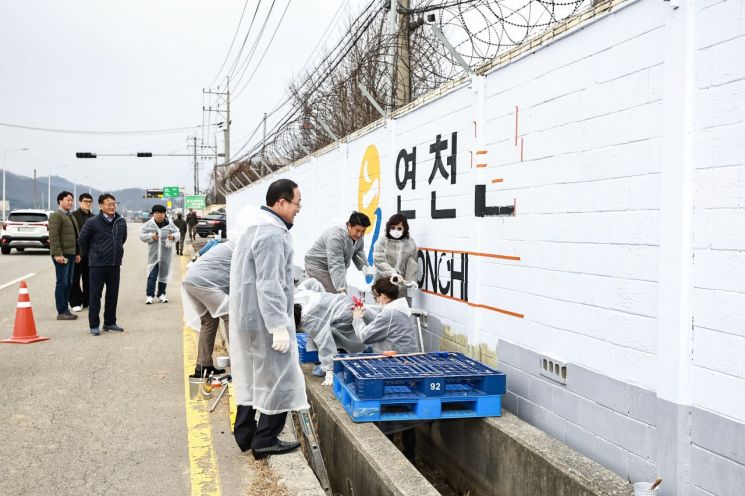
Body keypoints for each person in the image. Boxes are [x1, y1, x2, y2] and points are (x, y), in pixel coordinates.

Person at [230, 178, 307, 460]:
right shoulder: (272, 234)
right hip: (265, 319)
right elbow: (270, 284)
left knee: (250, 375)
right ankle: (265, 439)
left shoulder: (253, 227)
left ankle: (245, 433)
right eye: (297, 203)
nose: (299, 209)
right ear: (282, 202)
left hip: (248, 316)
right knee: (280, 377)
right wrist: (278, 327)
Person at [294, 278, 365, 386]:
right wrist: (323, 296)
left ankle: (336, 365)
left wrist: (329, 372)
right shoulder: (296, 297)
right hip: (340, 301)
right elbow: (313, 282)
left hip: (344, 314)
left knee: (333, 338)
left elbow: (325, 343)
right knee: (316, 336)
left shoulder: (310, 318)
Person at [78, 194, 127, 336]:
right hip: (97, 265)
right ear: (100, 206)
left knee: (113, 295)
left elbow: (122, 239)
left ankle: (110, 322)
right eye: (108, 204)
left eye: (113, 204)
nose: (112, 206)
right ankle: (94, 325)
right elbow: (82, 240)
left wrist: (115, 251)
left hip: (114, 264)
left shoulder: (121, 221)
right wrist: (94, 253)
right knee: (95, 296)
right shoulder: (92, 222)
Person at [182, 239, 233, 378]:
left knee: (209, 321)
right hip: (204, 283)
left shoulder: (232, 243)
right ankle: (238, 367)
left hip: (191, 279)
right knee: (231, 315)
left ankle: (203, 367)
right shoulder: (246, 248)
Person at [304, 211, 373, 293]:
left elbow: (358, 250)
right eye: (357, 230)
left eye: (363, 231)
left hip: (332, 265)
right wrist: (341, 289)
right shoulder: (336, 237)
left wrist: (364, 266)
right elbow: (336, 264)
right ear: (349, 225)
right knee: (334, 294)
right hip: (317, 265)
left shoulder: (358, 235)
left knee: (336, 293)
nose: (360, 234)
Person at [351, 277, 419, 354]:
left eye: (376, 297)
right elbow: (380, 320)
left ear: (382, 296)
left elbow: (364, 336)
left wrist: (357, 316)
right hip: (408, 356)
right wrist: (365, 309)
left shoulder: (390, 314)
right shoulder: (401, 309)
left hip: (395, 360)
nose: (376, 300)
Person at [48, 191, 81, 320]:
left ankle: (66, 309)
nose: (70, 202)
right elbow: (54, 237)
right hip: (62, 254)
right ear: (60, 201)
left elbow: (75, 236)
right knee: (62, 282)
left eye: (71, 200)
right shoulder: (56, 216)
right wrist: (57, 254)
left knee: (69, 282)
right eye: (68, 200)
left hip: (71, 254)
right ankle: (61, 311)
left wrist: (78, 252)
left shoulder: (70, 216)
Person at [373, 213, 419, 302]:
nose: (396, 231)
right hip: (384, 283)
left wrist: (412, 281)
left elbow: (413, 264)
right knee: (383, 310)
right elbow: (379, 260)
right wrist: (392, 273)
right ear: (388, 227)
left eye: (399, 228)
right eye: (393, 227)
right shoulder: (383, 241)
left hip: (401, 287)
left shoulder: (410, 243)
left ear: (405, 229)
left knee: (400, 311)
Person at [140, 204, 180, 304]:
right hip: (153, 256)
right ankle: (150, 295)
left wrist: (173, 236)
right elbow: (141, 236)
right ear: (153, 214)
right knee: (152, 276)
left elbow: (178, 233)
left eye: (161, 213)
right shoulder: (148, 224)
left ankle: (161, 294)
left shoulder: (169, 224)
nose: (159, 215)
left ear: (164, 214)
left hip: (165, 255)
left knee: (163, 276)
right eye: (157, 213)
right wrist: (150, 236)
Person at [69, 193, 95, 312]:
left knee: (89, 278)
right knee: (74, 278)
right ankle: (75, 302)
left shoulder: (94, 217)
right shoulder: (73, 216)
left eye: (89, 201)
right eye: (85, 201)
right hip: (77, 253)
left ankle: (87, 301)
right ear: (79, 202)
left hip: (91, 254)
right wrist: (75, 252)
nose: (87, 203)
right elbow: (72, 235)